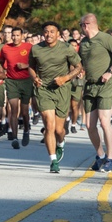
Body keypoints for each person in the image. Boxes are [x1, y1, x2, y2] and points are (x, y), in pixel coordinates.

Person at [28, 21, 83, 173]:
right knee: (49, 125)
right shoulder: (36, 49)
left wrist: (65, 78)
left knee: (59, 130)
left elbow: (79, 67)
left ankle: (61, 143)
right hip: (43, 89)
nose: (49, 34)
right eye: (46, 31)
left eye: (52, 31)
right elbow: (31, 67)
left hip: (61, 90)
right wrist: (34, 78)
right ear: (42, 33)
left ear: (58, 34)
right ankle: (53, 161)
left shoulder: (66, 48)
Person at [78, 13, 112, 173]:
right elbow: (83, 63)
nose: (81, 29)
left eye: (81, 26)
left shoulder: (105, 38)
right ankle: (100, 156)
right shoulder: (83, 43)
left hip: (106, 85)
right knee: (89, 125)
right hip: (90, 85)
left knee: (104, 121)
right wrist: (80, 71)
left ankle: (111, 159)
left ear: (86, 25)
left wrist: (110, 71)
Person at [0, 27, 33, 149]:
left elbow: (36, 63)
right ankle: (14, 137)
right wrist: (1, 73)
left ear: (22, 36)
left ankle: (26, 130)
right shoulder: (6, 48)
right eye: (13, 35)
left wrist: (26, 65)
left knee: (24, 111)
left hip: (26, 81)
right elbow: (0, 62)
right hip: (11, 81)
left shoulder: (29, 47)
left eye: (18, 35)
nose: (15, 37)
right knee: (13, 109)